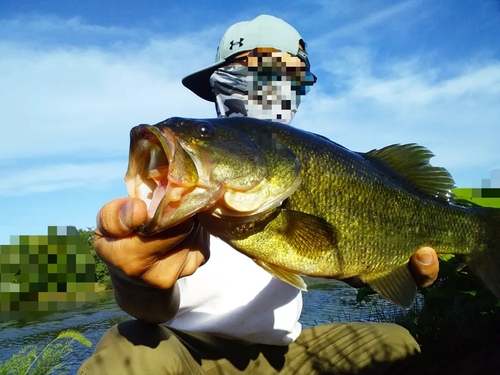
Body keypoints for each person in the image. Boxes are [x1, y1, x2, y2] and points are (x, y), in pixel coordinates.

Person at [78, 15, 440, 375]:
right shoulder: (177, 180)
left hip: (281, 354)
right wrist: (137, 282)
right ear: (221, 79)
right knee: (128, 354)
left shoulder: (311, 166)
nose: (281, 86)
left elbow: (329, 248)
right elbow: (149, 307)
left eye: (299, 79)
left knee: (397, 344)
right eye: (265, 68)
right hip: (181, 348)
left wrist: (371, 266)